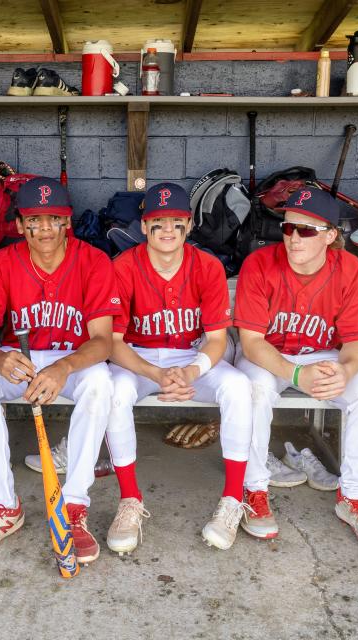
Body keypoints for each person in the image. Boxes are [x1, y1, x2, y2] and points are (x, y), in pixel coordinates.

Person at [0, 177, 118, 562]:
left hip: (72, 360)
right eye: (34, 219)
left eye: (53, 219)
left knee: (100, 381)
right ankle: (3, 507)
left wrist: (65, 367)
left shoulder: (94, 261)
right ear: (19, 225)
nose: (44, 228)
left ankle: (74, 507)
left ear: (67, 223)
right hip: (20, 360)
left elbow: (102, 341)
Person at [234, 188, 358, 546]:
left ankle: (353, 496)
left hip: (323, 355)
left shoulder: (349, 268)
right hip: (269, 356)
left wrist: (347, 372)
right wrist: (296, 374)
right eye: (288, 229)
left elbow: (355, 344)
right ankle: (253, 491)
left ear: (331, 236)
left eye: (306, 230)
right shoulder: (259, 263)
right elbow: (252, 343)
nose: (293, 238)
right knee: (253, 390)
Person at [107, 183, 252, 552]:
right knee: (114, 391)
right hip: (139, 358)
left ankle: (233, 500)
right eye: (158, 222)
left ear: (189, 225)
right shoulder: (123, 267)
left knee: (238, 387)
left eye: (176, 221)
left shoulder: (207, 266)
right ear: (143, 226)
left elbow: (217, 339)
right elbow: (112, 343)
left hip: (192, 356)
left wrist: (191, 372)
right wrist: (155, 375)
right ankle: (129, 500)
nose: (168, 229)